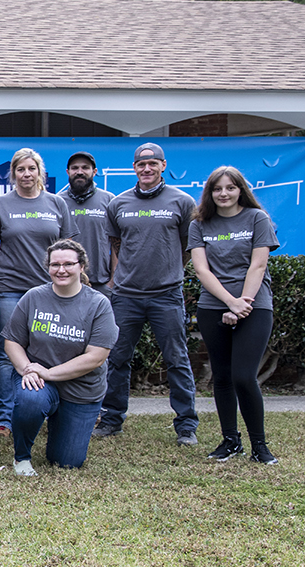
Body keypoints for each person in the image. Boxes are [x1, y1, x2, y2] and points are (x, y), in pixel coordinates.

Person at [96, 143, 200, 445]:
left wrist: (169, 270)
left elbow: (187, 246)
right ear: (134, 168)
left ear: (163, 166)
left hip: (167, 294)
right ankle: (112, 419)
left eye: (152, 164)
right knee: (116, 358)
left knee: (176, 359)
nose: (147, 169)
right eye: (141, 165)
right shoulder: (119, 204)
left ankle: (186, 425)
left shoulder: (182, 202)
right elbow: (117, 243)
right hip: (126, 295)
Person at [3, 240, 118, 476]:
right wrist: (28, 369)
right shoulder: (33, 297)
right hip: (39, 380)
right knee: (31, 398)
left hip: (81, 389)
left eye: (68, 264)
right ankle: (22, 458)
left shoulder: (99, 304)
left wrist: (49, 372)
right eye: (55, 264)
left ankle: (60, 422)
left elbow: (96, 357)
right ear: (48, 267)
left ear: (82, 266)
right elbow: (12, 341)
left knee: (67, 461)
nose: (61, 270)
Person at [189, 166, 280, 465]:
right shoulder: (200, 223)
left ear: (241, 190)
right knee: (223, 376)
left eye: (230, 188)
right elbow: (201, 270)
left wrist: (242, 304)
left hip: (255, 305)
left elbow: (258, 266)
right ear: (209, 193)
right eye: (217, 189)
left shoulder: (258, 219)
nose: (223, 194)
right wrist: (229, 302)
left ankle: (259, 446)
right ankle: (231, 441)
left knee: (244, 376)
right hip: (213, 306)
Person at [0, 148, 77, 438]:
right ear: (13, 174)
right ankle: (5, 419)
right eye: (20, 169)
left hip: (50, 289)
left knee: (52, 347)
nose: (26, 174)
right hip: (9, 288)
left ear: (41, 173)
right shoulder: (0, 204)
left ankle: (50, 410)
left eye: (31, 169)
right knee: (7, 352)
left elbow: (69, 251)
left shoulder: (56, 203)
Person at [59, 152, 116, 297]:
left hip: (101, 284)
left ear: (94, 172)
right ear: (68, 172)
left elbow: (117, 243)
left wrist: (113, 281)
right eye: (75, 168)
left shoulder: (109, 200)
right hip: (65, 283)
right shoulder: (57, 202)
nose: (79, 172)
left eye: (85, 168)